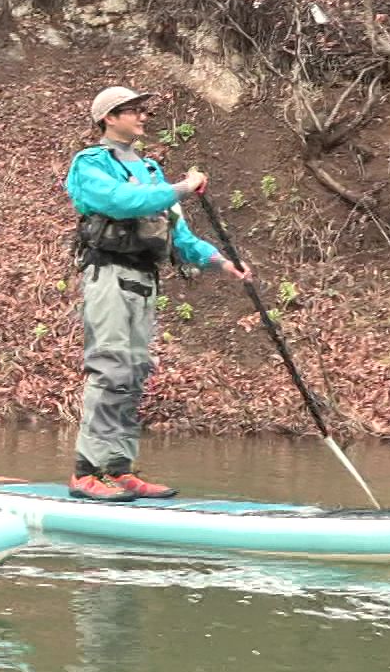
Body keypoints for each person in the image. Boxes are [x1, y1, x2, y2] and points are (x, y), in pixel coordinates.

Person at [64, 85, 250, 501]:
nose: (143, 117)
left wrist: (222, 262)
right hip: (108, 276)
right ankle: (85, 472)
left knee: (131, 376)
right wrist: (183, 187)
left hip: (144, 281)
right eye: (132, 111)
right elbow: (120, 201)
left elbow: (179, 236)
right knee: (109, 368)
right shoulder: (91, 163)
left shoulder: (151, 171)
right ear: (109, 118)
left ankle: (118, 469)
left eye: (143, 110)